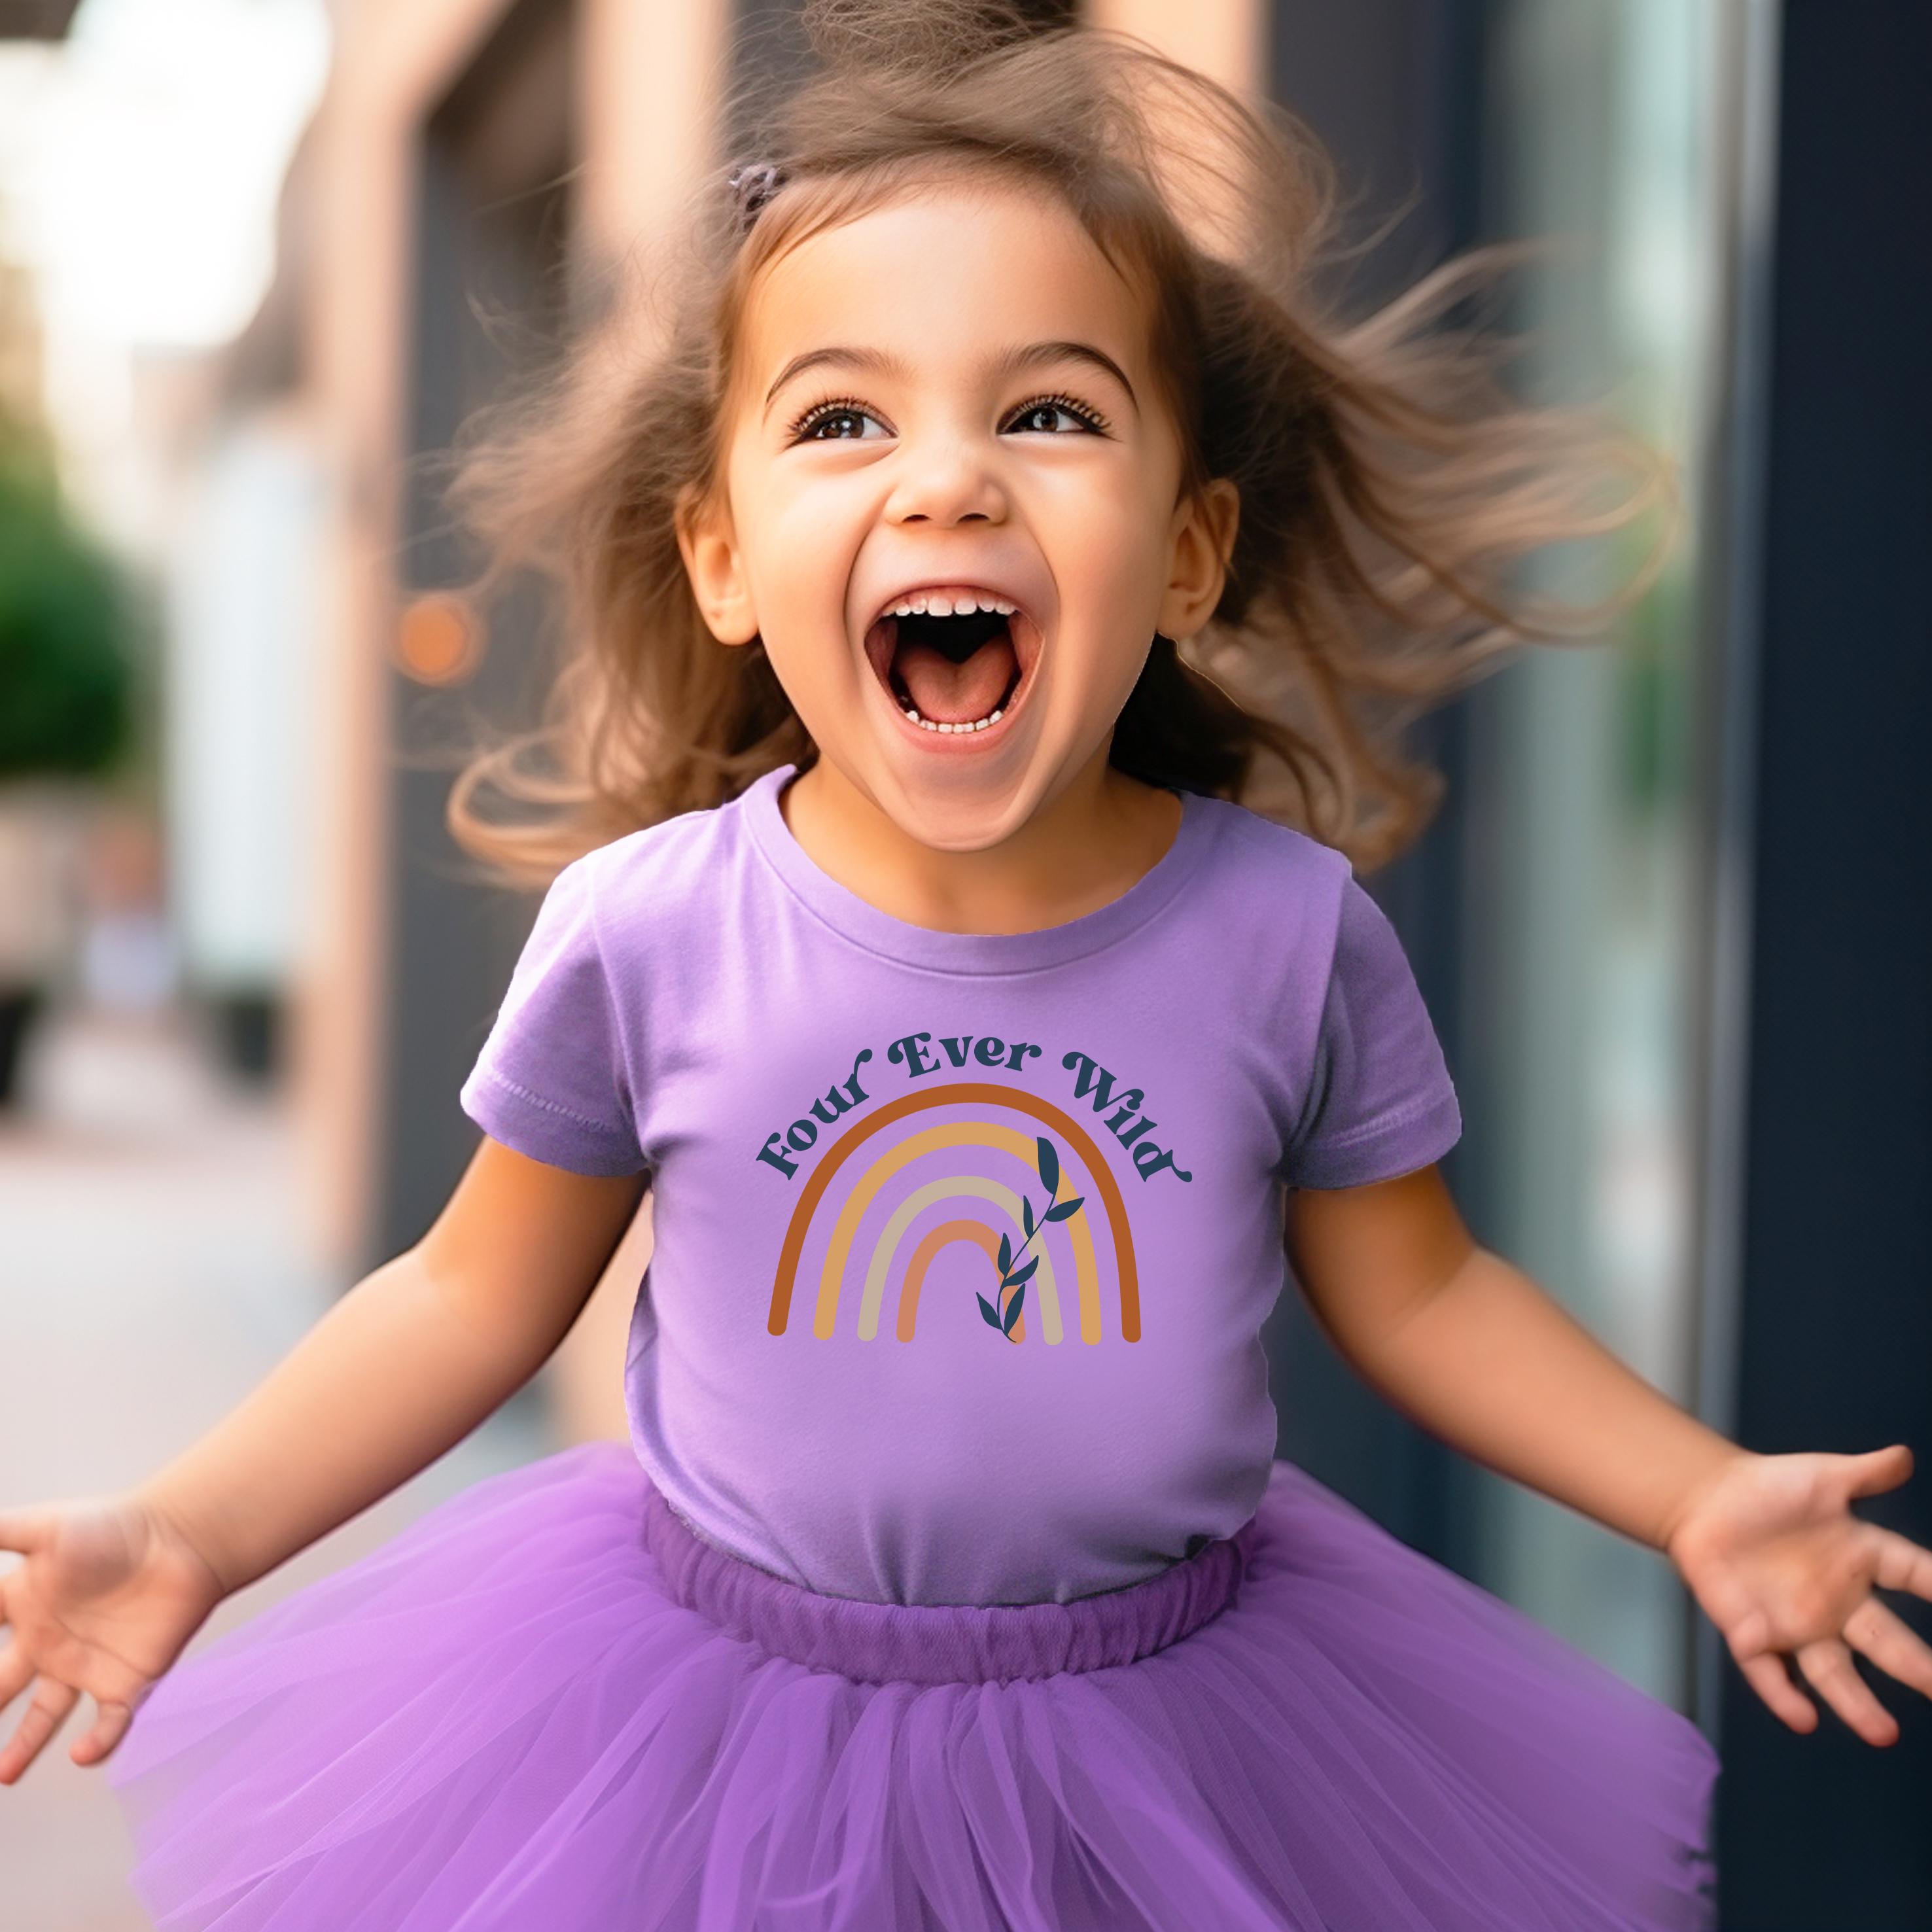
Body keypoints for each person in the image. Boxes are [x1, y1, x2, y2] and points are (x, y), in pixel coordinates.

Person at [5, 3, 1930, 1925]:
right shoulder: (655, 930)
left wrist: (1687, 1488)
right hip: (713, 1744)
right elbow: (457, 1299)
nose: (946, 481)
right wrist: (190, 1522)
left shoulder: (1280, 934)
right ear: (723, 558)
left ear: (1183, 559)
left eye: (1048, 411)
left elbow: (1422, 1292)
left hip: (1175, 1746)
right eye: (843, 417)